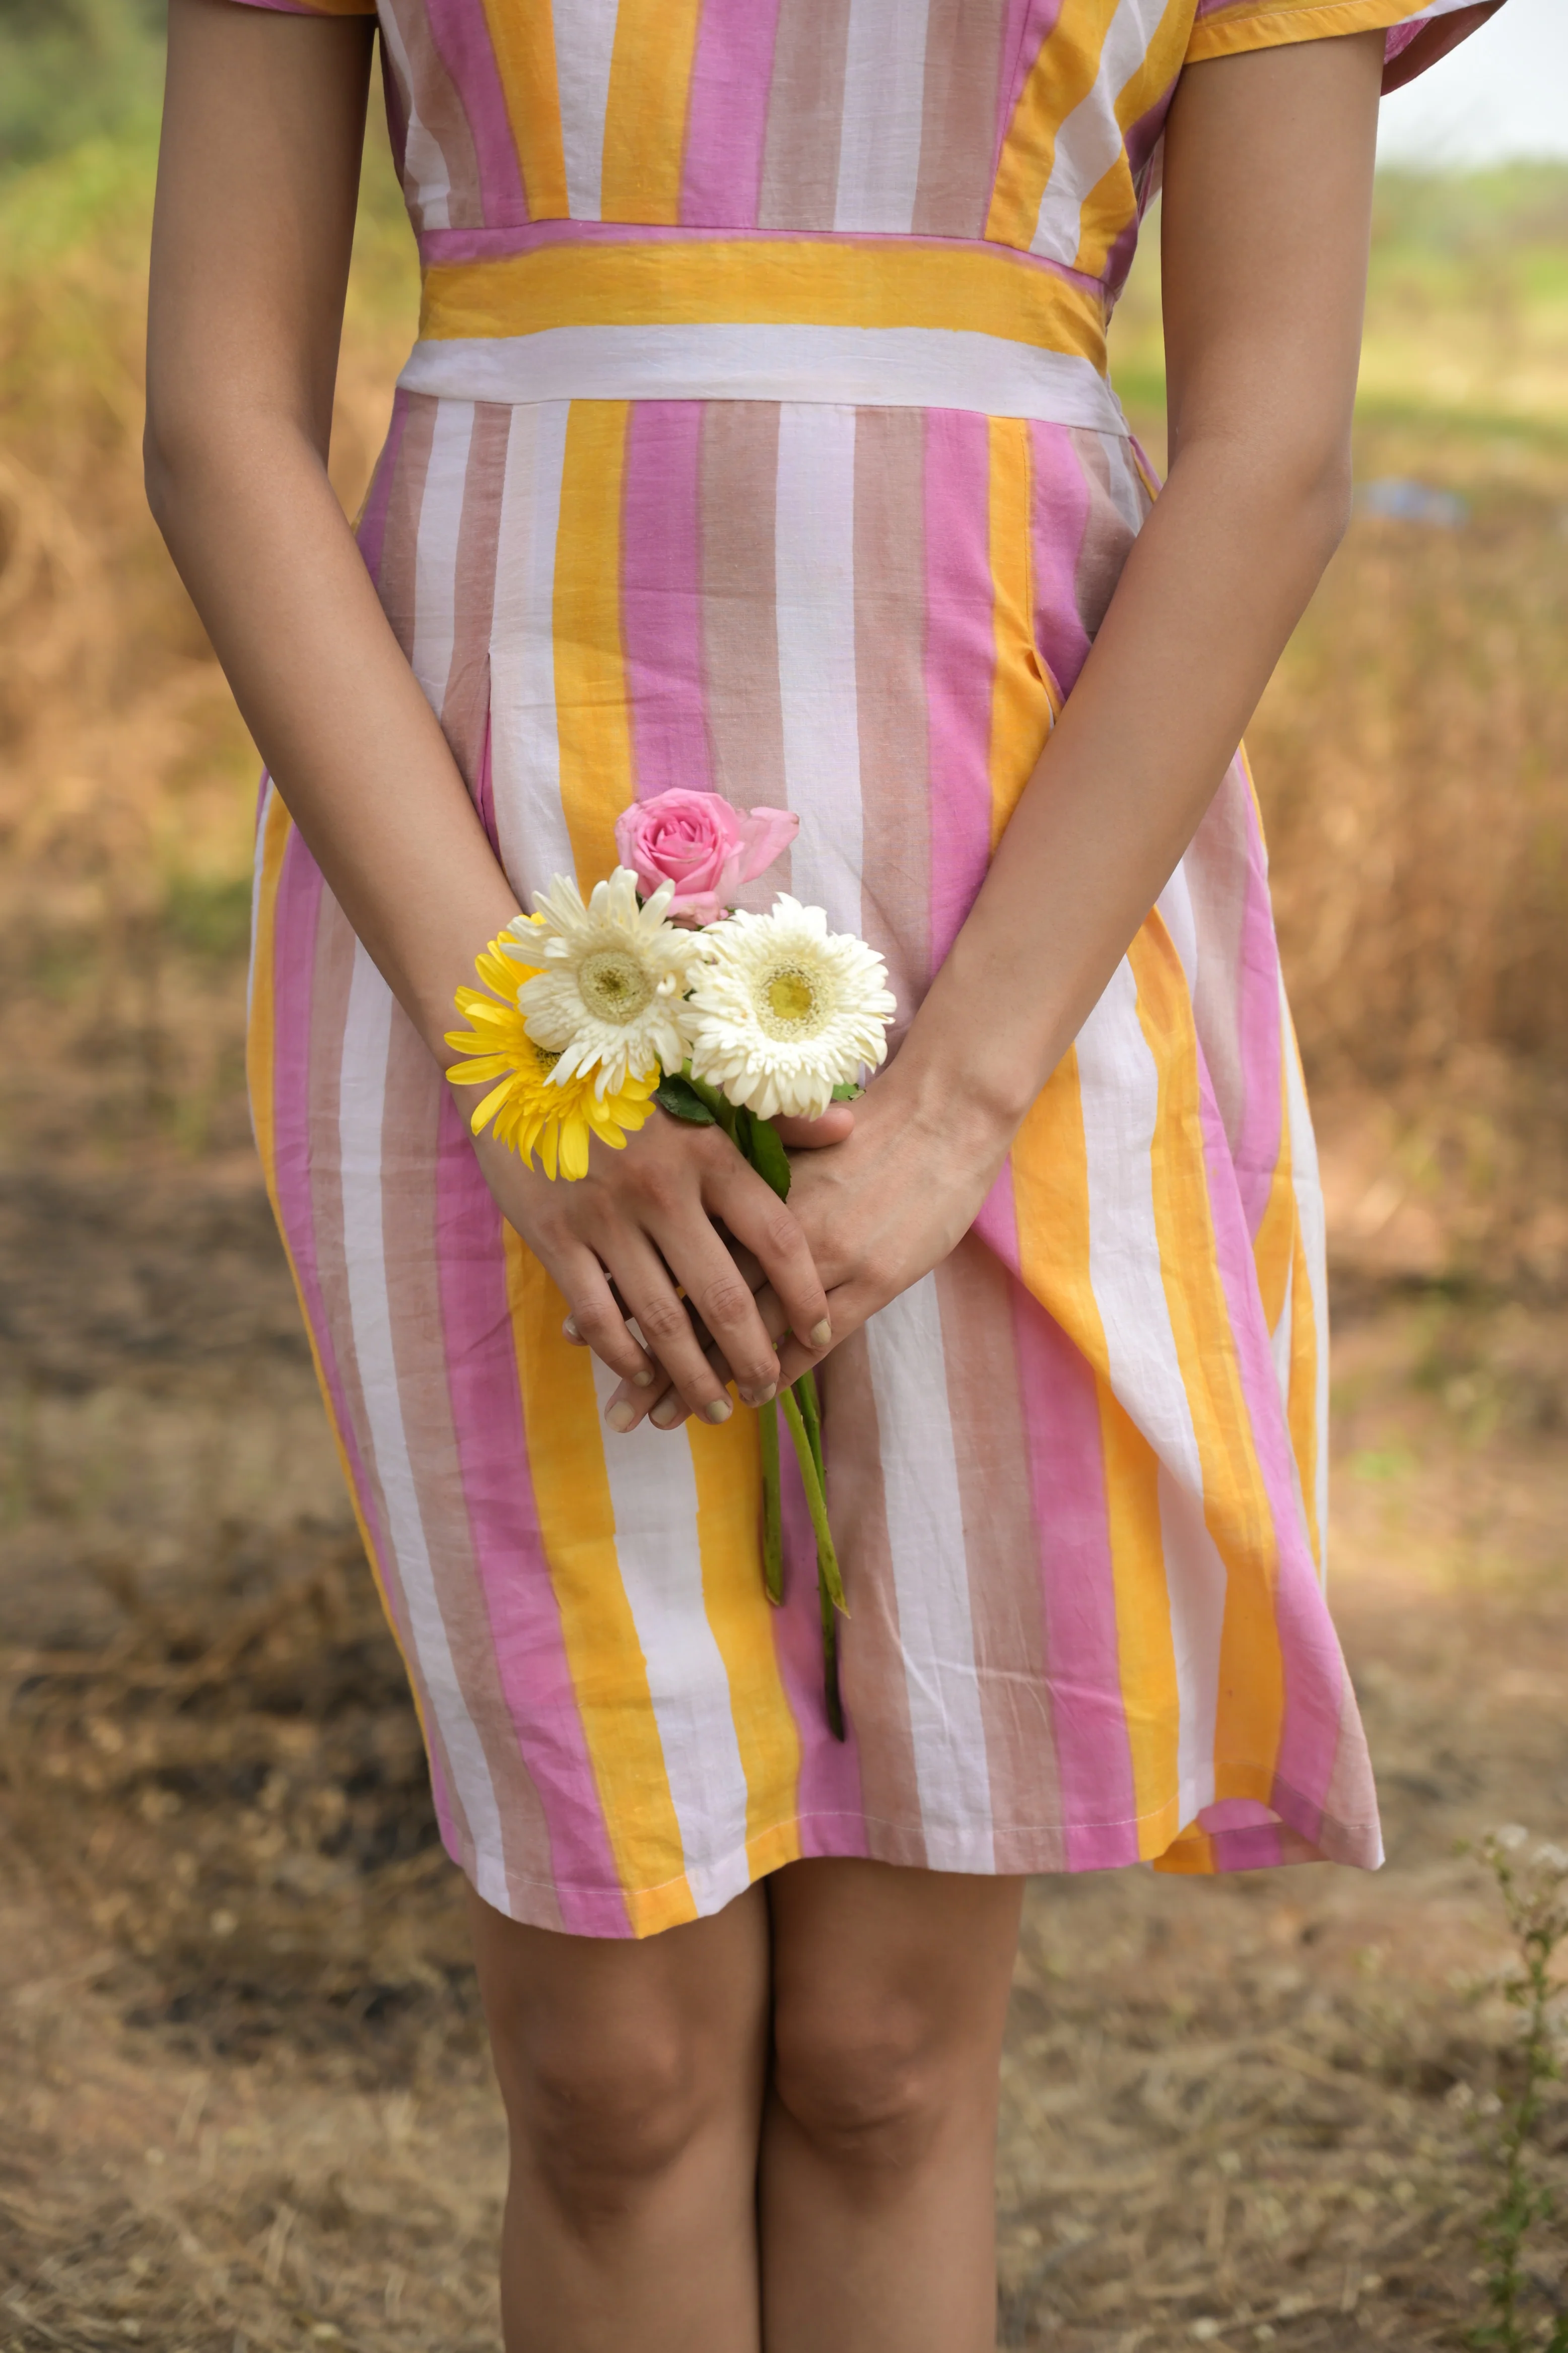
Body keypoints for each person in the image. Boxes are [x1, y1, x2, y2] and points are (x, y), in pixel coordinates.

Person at [144, 3, 1501, 2345]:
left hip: (1025, 943)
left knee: (883, 2065)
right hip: (482, 907)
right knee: (614, 2071)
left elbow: (1270, 450)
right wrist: (529, 1064)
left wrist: (962, 1108)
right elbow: (215, 421)